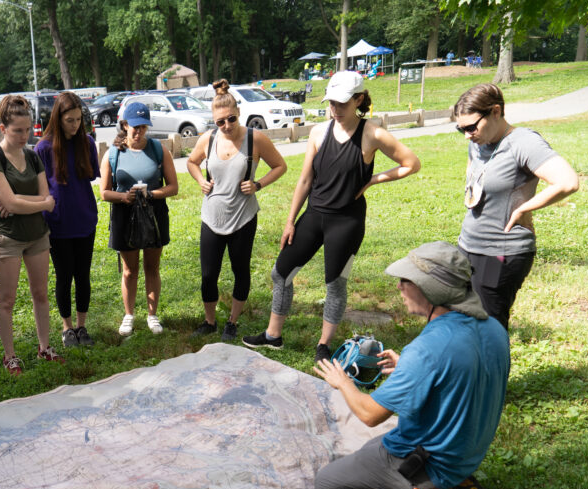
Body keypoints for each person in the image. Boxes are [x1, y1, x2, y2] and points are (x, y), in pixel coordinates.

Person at [313, 241, 511, 489]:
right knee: (368, 451)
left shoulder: (428, 350)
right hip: (464, 456)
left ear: (431, 289)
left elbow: (369, 415)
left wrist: (343, 382)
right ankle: (447, 486)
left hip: (427, 463)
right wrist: (409, 367)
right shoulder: (495, 329)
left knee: (327, 482)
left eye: (406, 280)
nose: (399, 287)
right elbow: (464, 374)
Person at [242, 71, 420, 360]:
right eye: (332, 103)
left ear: (358, 100)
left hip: (347, 222)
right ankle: (273, 335)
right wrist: (290, 221)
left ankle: (323, 345)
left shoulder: (372, 133)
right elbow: (305, 180)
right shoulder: (319, 132)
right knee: (281, 273)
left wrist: (374, 179)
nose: (335, 109)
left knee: (335, 283)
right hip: (314, 216)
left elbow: (411, 163)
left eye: (342, 103)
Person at [453, 83, 579, 330]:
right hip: (468, 245)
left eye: (471, 127)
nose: (467, 135)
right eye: (461, 129)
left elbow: (568, 182)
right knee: (464, 320)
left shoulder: (523, 142)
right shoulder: (477, 142)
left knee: (488, 326)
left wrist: (523, 208)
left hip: (500, 252)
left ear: (496, 112)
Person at [187, 79, 288, 341]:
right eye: (220, 122)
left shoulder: (255, 139)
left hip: (243, 217)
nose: (227, 125)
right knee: (208, 274)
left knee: (240, 270)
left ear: (238, 113)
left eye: (231, 119)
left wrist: (258, 184)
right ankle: (210, 321)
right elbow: (192, 162)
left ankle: (232, 322)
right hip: (212, 217)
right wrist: (200, 180)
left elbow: (280, 166)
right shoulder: (208, 139)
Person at [0, 94, 63, 375]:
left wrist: (18, 202)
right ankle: (10, 356)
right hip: (8, 238)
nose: (24, 136)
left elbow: (46, 198)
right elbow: (23, 202)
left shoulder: (32, 156)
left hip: (38, 234)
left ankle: (45, 348)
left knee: (40, 293)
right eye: (17, 130)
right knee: (7, 300)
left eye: (27, 129)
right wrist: (29, 203)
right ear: (3, 128)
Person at [100, 101, 179, 335]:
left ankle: (152, 315)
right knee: (129, 270)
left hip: (153, 214)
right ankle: (129, 315)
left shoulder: (158, 149)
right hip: (124, 215)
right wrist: (124, 197)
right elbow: (104, 193)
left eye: (143, 127)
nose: (139, 132)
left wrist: (151, 194)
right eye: (135, 127)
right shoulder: (113, 154)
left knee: (152, 267)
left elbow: (173, 187)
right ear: (124, 125)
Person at [35, 92, 100, 347]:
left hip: (84, 219)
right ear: (58, 119)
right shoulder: (44, 148)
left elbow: (91, 175)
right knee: (64, 276)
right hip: (58, 223)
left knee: (83, 275)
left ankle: (82, 326)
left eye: (78, 120)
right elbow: (39, 188)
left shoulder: (87, 143)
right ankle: (67, 327)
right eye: (69, 120)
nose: (75, 125)